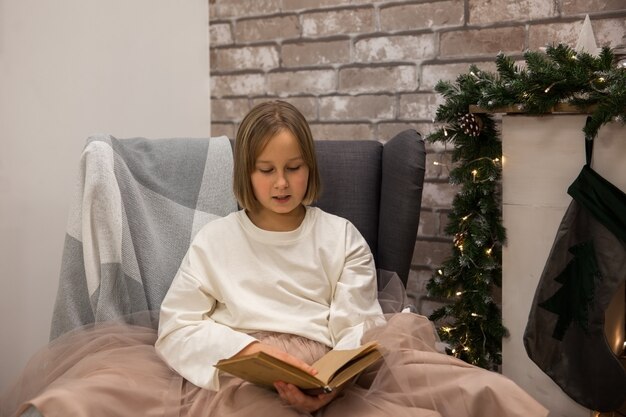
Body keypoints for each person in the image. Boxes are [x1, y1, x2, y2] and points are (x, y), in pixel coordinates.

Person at [0, 100, 548, 417]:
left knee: (480, 391)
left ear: (310, 168)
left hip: (331, 372)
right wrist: (248, 349)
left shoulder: (341, 238)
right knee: (76, 400)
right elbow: (178, 324)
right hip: (242, 369)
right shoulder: (217, 241)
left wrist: (327, 381)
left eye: (293, 167)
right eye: (266, 168)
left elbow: (357, 325)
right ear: (247, 174)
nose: (281, 183)